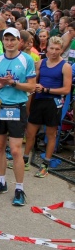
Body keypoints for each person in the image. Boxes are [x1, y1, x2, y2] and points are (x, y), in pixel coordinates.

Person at [0, 27, 36, 206]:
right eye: (6, 39)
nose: (9, 43)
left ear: (19, 41)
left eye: (13, 39)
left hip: (17, 107)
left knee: (15, 150)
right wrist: (0, 84)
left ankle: (20, 188)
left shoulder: (26, 60)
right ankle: (1, 183)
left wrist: (13, 83)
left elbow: (31, 87)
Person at [23, 36, 71, 178]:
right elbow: (33, 81)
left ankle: (45, 165)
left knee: (51, 135)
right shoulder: (41, 63)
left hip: (53, 103)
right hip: (38, 100)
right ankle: (24, 160)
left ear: (61, 50)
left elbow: (66, 90)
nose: (54, 52)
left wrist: (46, 90)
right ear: (47, 48)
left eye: (57, 49)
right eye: (51, 48)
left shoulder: (65, 66)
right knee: (30, 132)